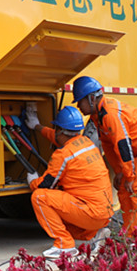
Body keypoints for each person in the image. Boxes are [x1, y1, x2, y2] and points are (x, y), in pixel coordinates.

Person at [71, 75, 137, 237]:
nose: (78, 106)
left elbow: (122, 145)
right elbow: (108, 146)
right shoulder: (98, 116)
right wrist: (120, 172)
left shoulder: (110, 114)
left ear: (91, 99)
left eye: (80, 101)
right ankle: (131, 235)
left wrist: (129, 175)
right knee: (124, 189)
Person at [24, 105, 114, 259]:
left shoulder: (63, 155)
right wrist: (38, 126)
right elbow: (58, 138)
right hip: (103, 213)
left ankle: (64, 245)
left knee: (40, 197)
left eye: (57, 129)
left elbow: (46, 184)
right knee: (62, 215)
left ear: (60, 130)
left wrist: (33, 181)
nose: (55, 132)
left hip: (90, 213)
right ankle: (96, 233)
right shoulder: (86, 142)